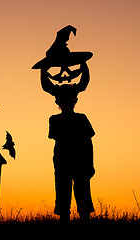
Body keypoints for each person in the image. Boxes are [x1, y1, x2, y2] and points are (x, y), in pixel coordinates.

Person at [48, 85, 95, 223]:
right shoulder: (54, 119)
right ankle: (65, 227)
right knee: (63, 195)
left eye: (68, 101)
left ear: (75, 101)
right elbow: (53, 134)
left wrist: (90, 164)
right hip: (62, 163)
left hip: (81, 163)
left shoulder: (82, 118)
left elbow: (89, 142)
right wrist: (64, 117)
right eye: (63, 101)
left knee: (83, 196)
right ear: (58, 103)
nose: (66, 104)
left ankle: (84, 225)